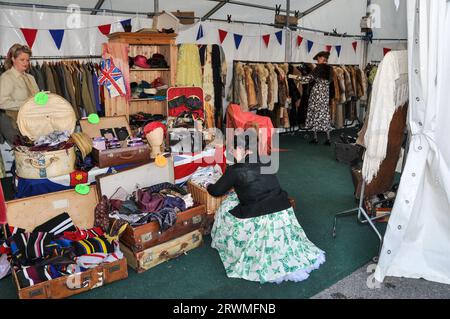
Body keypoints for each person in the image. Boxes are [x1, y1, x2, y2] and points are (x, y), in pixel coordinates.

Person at [207, 130, 325, 283]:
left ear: (242, 149)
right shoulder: (266, 160)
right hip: (282, 210)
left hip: (257, 214)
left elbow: (216, 192)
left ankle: (230, 243)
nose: (231, 153)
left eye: (232, 149)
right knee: (234, 199)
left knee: (225, 208)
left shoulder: (234, 170)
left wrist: (208, 185)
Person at [290, 51, 333, 145]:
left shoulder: (318, 68)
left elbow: (307, 79)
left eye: (318, 58)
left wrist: (294, 77)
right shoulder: (330, 69)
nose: (317, 60)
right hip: (325, 94)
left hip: (317, 94)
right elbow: (330, 82)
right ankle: (328, 139)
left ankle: (315, 138)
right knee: (324, 115)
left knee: (314, 114)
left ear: (322, 58)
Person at [0, 44, 39, 145]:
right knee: (23, 154)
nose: (26, 63)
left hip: (32, 122)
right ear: (13, 59)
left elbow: (36, 99)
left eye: (27, 60)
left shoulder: (31, 78)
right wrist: (25, 103)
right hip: (13, 123)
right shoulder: (6, 78)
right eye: (22, 59)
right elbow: (2, 103)